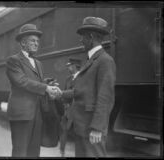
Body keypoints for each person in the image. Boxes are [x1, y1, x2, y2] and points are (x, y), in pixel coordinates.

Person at [61, 17, 116, 157]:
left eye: (82, 37)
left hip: (91, 128)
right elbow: (81, 91)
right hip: (82, 126)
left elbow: (105, 97)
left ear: (90, 37)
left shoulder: (105, 61)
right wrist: (60, 93)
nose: (80, 41)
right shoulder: (91, 60)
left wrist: (97, 128)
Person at [6, 24, 61, 157]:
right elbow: (21, 81)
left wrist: (47, 84)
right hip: (22, 114)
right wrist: (46, 88)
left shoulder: (38, 63)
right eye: (33, 41)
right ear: (23, 43)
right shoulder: (13, 60)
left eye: (37, 41)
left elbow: (35, 83)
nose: (36, 44)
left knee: (34, 152)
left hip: (37, 113)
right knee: (20, 152)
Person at [60, 58, 81, 156]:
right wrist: (65, 104)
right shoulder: (68, 79)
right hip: (68, 110)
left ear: (74, 66)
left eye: (69, 66)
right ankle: (62, 151)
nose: (68, 67)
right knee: (64, 131)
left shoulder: (83, 77)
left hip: (78, 111)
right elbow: (64, 93)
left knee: (78, 134)